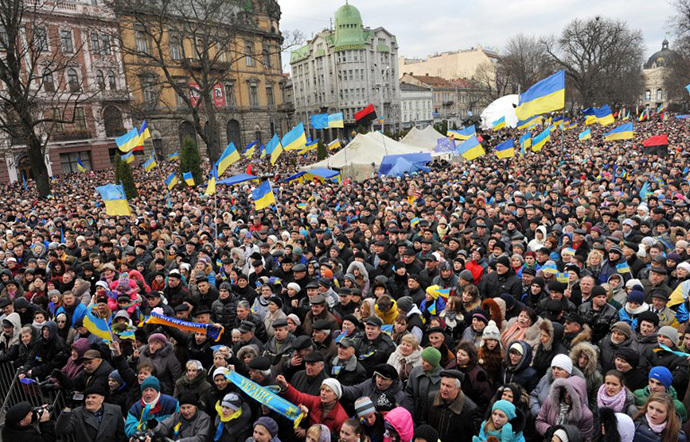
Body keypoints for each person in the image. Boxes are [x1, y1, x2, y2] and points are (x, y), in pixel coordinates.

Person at [276, 374, 349, 435]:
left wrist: (307, 432)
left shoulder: (341, 418)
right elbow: (299, 397)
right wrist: (285, 386)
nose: (323, 393)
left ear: (336, 396)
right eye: (322, 390)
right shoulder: (316, 401)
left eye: (328, 391)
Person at [55, 384, 126, 442]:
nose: (89, 400)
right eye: (87, 397)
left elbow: (121, 436)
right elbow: (62, 430)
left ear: (102, 399)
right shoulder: (77, 413)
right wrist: (67, 409)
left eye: (93, 397)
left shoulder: (115, 410)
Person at [425, 369, 480, 442]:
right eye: (442, 384)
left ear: (458, 389)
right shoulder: (431, 399)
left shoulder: (470, 410)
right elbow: (423, 422)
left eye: (448, 386)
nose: (444, 389)